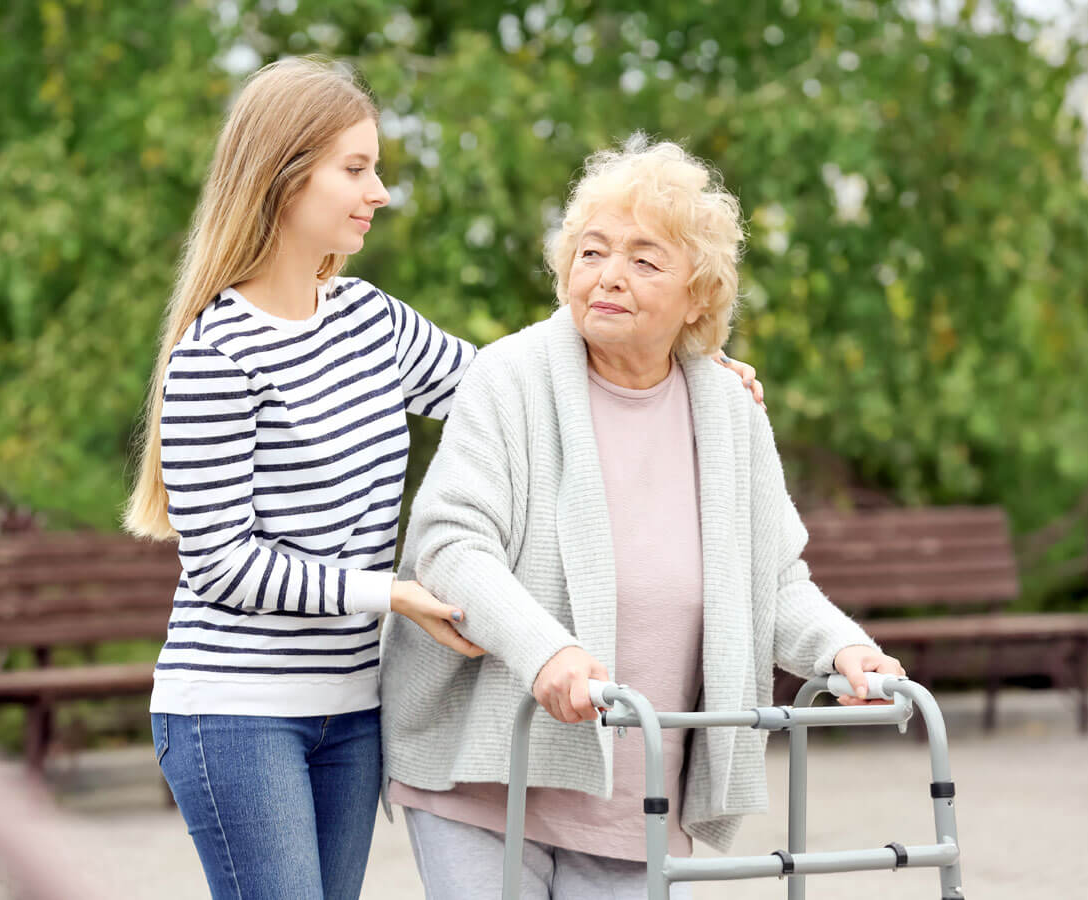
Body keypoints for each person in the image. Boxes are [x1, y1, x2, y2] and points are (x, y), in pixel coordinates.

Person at [124, 59, 761, 899]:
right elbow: (223, 567)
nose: (378, 191)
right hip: (236, 709)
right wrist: (392, 594)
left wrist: (688, 360)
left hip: (351, 709)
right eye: (356, 169)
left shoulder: (368, 320)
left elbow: (530, 386)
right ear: (284, 176)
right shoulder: (217, 356)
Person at [381, 135, 905, 899]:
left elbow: (773, 578)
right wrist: (547, 654)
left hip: (639, 795)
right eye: (591, 252)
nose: (609, 277)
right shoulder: (508, 379)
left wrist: (844, 650)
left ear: (700, 294)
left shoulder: (728, 409)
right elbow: (450, 545)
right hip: (489, 776)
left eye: (644, 259)